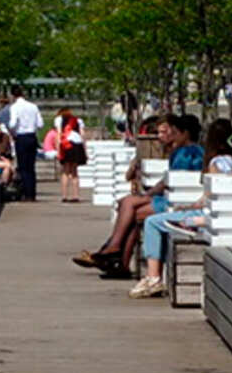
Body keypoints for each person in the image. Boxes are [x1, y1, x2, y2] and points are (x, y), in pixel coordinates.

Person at [129, 118, 232, 298]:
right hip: (218, 217)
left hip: (207, 219)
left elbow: (209, 200)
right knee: (158, 218)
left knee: (152, 222)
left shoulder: (216, 164)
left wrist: (190, 210)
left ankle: (153, 277)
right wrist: (188, 206)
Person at [73, 114, 198, 275]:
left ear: (185, 133)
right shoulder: (182, 152)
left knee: (130, 207)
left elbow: (173, 182)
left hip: (178, 202)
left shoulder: (188, 154)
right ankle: (117, 258)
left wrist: (148, 194)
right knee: (128, 205)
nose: (167, 136)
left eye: (173, 132)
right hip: (172, 198)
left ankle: (114, 251)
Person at [7, 85, 44, 201]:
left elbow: (12, 124)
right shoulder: (33, 106)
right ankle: (32, 193)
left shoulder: (14, 107)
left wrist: (12, 132)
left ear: (13, 95)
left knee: (23, 166)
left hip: (21, 137)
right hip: (32, 137)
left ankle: (25, 193)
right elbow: (40, 124)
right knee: (31, 167)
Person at [55, 108, 88, 203]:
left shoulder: (59, 120)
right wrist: (85, 150)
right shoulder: (78, 120)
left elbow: (59, 133)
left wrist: (58, 149)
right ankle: (76, 196)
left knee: (65, 171)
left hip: (66, 144)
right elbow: (82, 134)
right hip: (77, 145)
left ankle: (64, 196)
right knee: (74, 171)